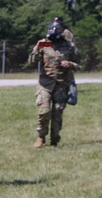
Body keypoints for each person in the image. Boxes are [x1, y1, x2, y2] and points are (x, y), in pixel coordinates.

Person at [29, 18, 80, 147]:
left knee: (57, 112)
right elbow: (32, 62)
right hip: (45, 83)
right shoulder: (45, 44)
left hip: (61, 84)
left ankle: (55, 139)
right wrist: (36, 48)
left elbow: (79, 64)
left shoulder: (69, 46)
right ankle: (41, 137)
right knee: (44, 111)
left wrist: (70, 64)